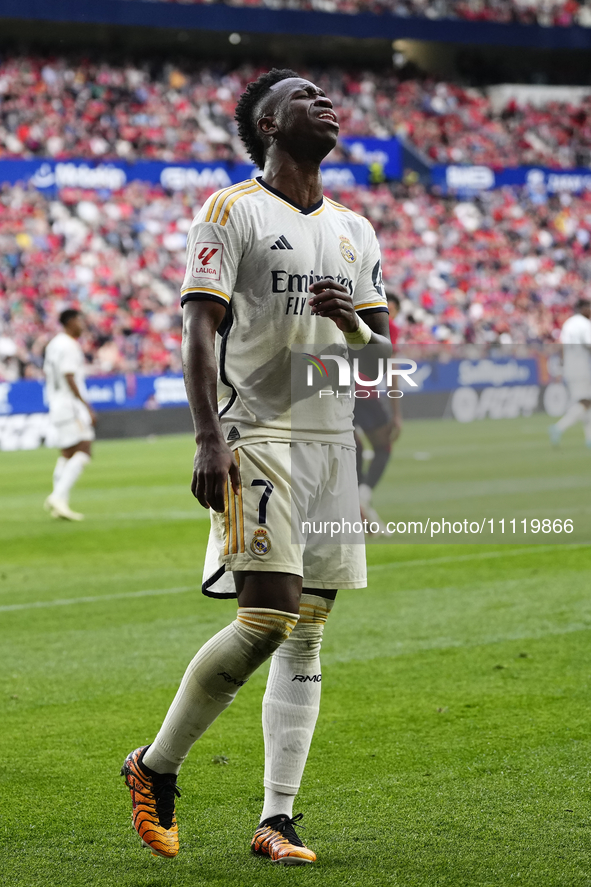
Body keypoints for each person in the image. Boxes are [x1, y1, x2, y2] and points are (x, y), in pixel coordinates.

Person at [121, 68, 391, 866]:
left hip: (330, 445)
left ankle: (277, 818)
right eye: (303, 96)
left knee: (307, 633)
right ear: (268, 125)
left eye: (326, 94)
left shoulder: (355, 229)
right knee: (267, 617)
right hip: (256, 433)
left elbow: (380, 359)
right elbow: (198, 328)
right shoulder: (230, 209)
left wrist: (353, 327)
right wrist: (208, 437)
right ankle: (154, 765)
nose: (325, 102)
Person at [355, 292, 403, 528]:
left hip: (335, 389)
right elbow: (391, 367)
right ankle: (362, 497)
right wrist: (396, 413)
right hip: (361, 390)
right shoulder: (388, 325)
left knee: (354, 448)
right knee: (383, 446)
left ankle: (359, 504)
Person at [43, 309, 96, 521]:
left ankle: (60, 504)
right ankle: (57, 496)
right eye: (79, 321)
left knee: (67, 453)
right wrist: (86, 406)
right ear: (70, 322)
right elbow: (68, 375)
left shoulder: (54, 343)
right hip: (69, 405)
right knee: (85, 448)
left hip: (56, 403)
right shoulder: (68, 345)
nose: (82, 325)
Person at [549, 299, 591, 448]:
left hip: (570, 367)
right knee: (586, 401)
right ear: (583, 308)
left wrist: (561, 366)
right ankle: (559, 427)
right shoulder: (585, 324)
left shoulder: (568, 323)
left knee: (586, 402)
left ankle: (589, 438)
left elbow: (562, 346)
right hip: (582, 367)